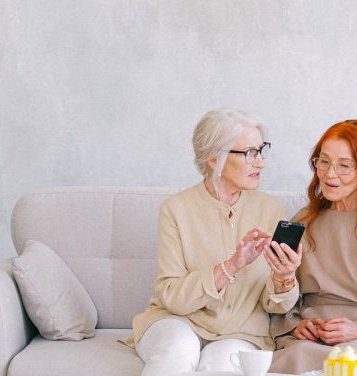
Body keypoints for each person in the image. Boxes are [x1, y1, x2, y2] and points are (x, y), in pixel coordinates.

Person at [122, 108, 302, 376]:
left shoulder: (271, 210)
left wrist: (284, 278)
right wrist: (230, 266)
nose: (261, 163)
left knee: (224, 366)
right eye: (250, 153)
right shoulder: (176, 210)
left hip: (242, 331)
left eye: (261, 150)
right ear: (214, 158)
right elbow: (171, 296)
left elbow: (274, 305)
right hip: (176, 321)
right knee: (179, 349)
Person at [269, 120, 357, 375]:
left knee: (354, 363)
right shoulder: (302, 222)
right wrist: (297, 326)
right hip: (309, 341)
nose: (329, 174)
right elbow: (285, 299)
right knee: (299, 355)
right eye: (323, 161)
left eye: (344, 166)